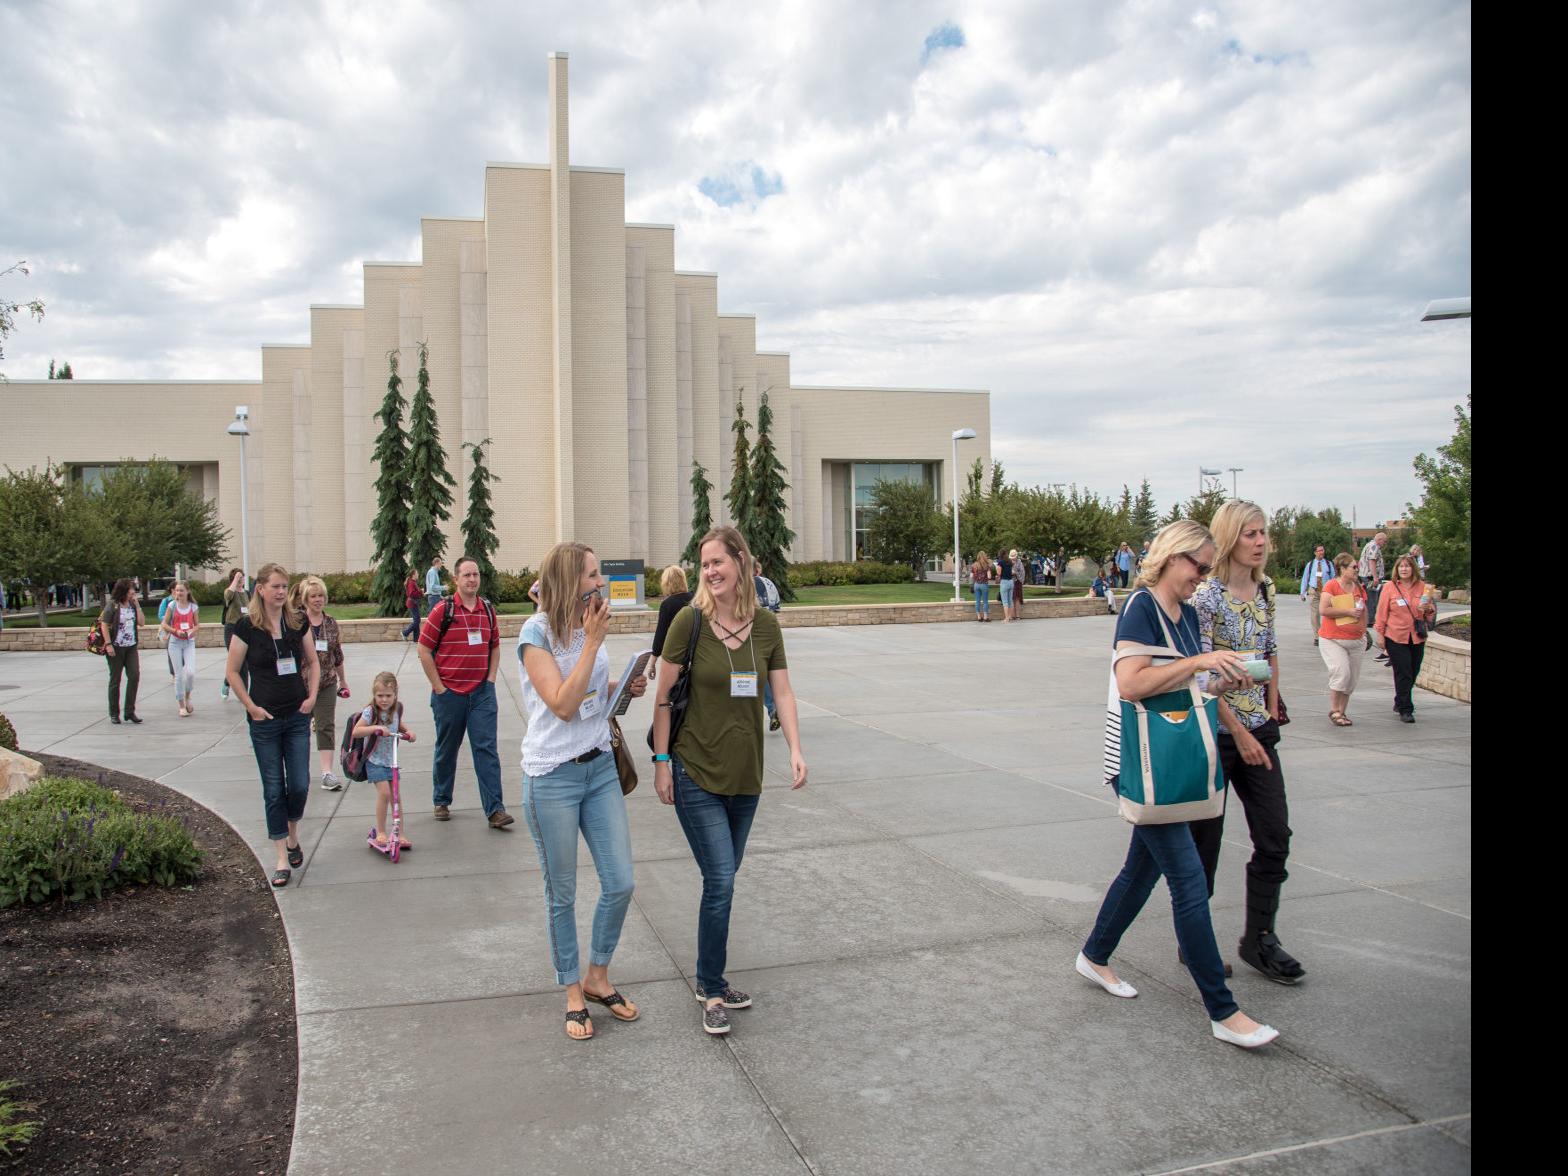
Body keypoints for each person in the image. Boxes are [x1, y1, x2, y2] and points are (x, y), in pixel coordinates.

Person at [1077, 520, 1280, 1049]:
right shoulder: (1140, 607)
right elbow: (1132, 683)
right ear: (1171, 557)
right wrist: (1199, 661)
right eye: (1199, 566)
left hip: (1172, 762)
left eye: (1208, 569)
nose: (1202, 577)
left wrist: (1223, 677)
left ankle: (1094, 955)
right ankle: (1223, 1011)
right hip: (1138, 762)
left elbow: (1189, 684)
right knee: (1188, 880)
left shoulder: (1188, 615)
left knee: (1141, 871)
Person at [651, 527, 809, 1037]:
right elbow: (663, 696)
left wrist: (795, 748)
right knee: (720, 879)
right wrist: (659, 760)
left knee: (725, 878)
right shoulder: (687, 622)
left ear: (741, 561)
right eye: (704, 564)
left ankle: (710, 976)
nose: (711, 571)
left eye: (718, 561)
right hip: (694, 769)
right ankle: (712, 989)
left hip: (746, 776)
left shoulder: (765, 627)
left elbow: (780, 692)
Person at [518, 542, 648, 1040]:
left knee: (620, 882)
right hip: (552, 778)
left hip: (599, 770)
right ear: (570, 581)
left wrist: (621, 685)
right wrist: (592, 643)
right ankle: (573, 989)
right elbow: (563, 704)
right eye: (592, 574)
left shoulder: (588, 623)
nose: (600, 582)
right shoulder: (536, 634)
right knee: (563, 893)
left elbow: (590, 693)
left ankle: (598, 975)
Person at [1190, 501, 1306, 985]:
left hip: (1260, 730)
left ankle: (1260, 937)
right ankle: (1195, 941)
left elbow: (1270, 652)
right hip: (1216, 735)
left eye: (1264, 533)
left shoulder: (1267, 589)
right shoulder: (1206, 598)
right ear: (1230, 537)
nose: (1261, 542)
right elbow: (1198, 676)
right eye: (1250, 534)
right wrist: (1238, 731)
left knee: (1275, 836)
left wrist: (1271, 713)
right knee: (1205, 850)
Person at [225, 562, 320, 888]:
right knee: (273, 788)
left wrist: (311, 698)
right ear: (261, 590)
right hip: (264, 720)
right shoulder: (246, 627)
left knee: (299, 784)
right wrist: (250, 706)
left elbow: (313, 662)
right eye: (275, 586)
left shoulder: (297, 622)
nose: (281, 592)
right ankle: (281, 855)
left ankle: (293, 835)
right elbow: (233, 672)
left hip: (296, 716)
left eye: (284, 586)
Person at [417, 555, 511, 827]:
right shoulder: (442, 611)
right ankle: (442, 799)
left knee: (487, 750)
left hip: (482, 694)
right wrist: (439, 688)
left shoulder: (487, 610)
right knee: (447, 749)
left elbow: (495, 646)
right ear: (455, 579)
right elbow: (423, 650)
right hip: (449, 695)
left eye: (476, 574)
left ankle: (495, 810)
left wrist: (491, 679)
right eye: (467, 575)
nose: (472, 579)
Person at [292, 575, 349, 790]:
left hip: (326, 682)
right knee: (299, 728)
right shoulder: (295, 622)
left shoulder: (330, 623)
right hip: (299, 685)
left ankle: (327, 773)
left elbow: (337, 654)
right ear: (305, 599)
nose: (318, 600)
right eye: (314, 596)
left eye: (321, 596)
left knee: (326, 726)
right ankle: (298, 773)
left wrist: (343, 681)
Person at [354, 671, 416, 851]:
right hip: (374, 759)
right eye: (380, 695)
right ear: (374, 695)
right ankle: (381, 831)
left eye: (388, 695)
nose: (384, 700)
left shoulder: (397, 708)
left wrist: (409, 732)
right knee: (385, 793)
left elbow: (399, 724)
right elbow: (356, 731)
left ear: (395, 694)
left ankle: (400, 833)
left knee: (396, 797)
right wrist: (375, 728)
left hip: (391, 760)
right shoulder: (370, 711)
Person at [1375, 554, 1438, 723]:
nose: (1404, 569)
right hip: (1395, 636)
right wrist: (1380, 635)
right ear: (1397, 569)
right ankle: (1406, 709)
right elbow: (1381, 613)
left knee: (1413, 671)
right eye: (1401, 566)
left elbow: (1430, 616)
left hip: (1417, 636)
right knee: (1404, 672)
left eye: (1407, 566)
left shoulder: (1423, 587)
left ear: (1413, 569)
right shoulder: (1390, 588)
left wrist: (1428, 609)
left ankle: (1399, 700)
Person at [1317, 553, 1367, 727]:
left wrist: (1364, 629)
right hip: (1332, 639)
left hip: (1356, 640)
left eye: (1357, 567)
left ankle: (1342, 712)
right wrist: (1347, 612)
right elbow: (1323, 609)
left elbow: (1364, 610)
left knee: (1351, 679)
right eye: (1353, 567)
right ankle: (1334, 710)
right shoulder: (1331, 586)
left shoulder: (1359, 587)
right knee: (1341, 672)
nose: (1356, 570)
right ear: (1342, 569)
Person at [98, 578, 143, 724]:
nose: (133, 592)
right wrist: (108, 644)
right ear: (124, 590)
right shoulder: (113, 605)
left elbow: (141, 623)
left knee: (134, 676)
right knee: (115, 680)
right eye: (131, 589)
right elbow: (104, 625)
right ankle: (114, 713)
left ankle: (129, 711)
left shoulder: (131, 604)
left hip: (131, 646)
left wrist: (137, 605)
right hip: (116, 647)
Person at [159, 581, 201, 717]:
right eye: (177, 591)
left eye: (181, 590)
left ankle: (188, 696)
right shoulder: (172, 606)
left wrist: (192, 631)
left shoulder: (193, 607)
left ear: (187, 591)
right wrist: (175, 631)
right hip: (175, 643)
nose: (179, 593)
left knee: (190, 673)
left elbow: (197, 625)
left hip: (189, 642)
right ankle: (181, 705)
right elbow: (164, 623)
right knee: (178, 675)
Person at [752, 557, 784, 732]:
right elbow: (776, 608)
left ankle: (772, 708)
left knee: (755, 674)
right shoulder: (768, 584)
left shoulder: (746, 585)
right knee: (771, 673)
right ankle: (776, 708)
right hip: (771, 634)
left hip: (753, 635)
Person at [649, 565, 695, 681]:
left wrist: (652, 664)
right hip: (696, 656)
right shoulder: (695, 599)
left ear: (667, 583)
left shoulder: (668, 604)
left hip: (674, 658)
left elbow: (661, 635)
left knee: (674, 694)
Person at [1359, 532, 1388, 663]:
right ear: (1380, 539)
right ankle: (1371, 620)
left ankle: (1371, 619)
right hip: (1370, 577)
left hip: (1368, 576)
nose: (1384, 544)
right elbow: (1372, 561)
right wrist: (1376, 578)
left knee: (1372, 599)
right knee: (1372, 599)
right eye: (1384, 542)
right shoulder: (1374, 547)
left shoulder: (1369, 545)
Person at [1299, 544, 1334, 645]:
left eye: (1322, 550)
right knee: (1315, 615)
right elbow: (1305, 578)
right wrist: (1303, 592)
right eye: (1319, 551)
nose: (1321, 552)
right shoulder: (1310, 565)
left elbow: (1333, 578)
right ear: (1315, 552)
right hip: (1314, 590)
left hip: (1326, 591)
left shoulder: (1328, 564)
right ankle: (1317, 637)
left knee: (1327, 613)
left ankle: (1327, 633)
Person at [221, 568, 248, 700]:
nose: (241, 579)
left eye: (242, 577)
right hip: (232, 628)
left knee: (245, 661)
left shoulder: (247, 593)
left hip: (246, 628)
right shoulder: (230, 592)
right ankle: (228, 683)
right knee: (236, 660)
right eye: (239, 577)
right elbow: (228, 596)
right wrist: (235, 580)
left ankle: (244, 692)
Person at [970, 551, 993, 622]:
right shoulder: (987, 565)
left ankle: (979, 617)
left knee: (977, 601)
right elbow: (989, 577)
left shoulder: (974, 565)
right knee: (985, 601)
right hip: (984, 584)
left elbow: (971, 576)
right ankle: (985, 617)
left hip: (976, 584)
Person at [402, 570, 422, 642]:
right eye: (417, 573)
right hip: (412, 603)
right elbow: (411, 593)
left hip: (413, 603)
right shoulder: (411, 582)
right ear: (413, 575)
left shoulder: (413, 582)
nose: (418, 574)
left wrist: (421, 592)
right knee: (417, 620)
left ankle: (416, 639)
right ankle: (405, 633)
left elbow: (414, 593)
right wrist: (420, 592)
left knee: (416, 620)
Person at [997, 548, 1015, 623]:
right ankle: (1010, 616)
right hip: (1011, 581)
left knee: (1005, 601)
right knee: (1010, 600)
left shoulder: (1000, 562)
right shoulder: (1010, 561)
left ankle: (1006, 618)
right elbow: (1011, 571)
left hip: (1004, 582)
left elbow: (999, 573)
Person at [1007, 548, 1024, 620]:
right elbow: (1006, 572)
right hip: (1010, 582)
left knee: (1017, 598)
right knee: (1011, 598)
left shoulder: (1019, 562)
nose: (1013, 559)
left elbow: (1022, 572)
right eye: (1012, 557)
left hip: (1017, 582)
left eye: (1014, 557)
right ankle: (1012, 615)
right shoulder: (1008, 562)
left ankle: (1017, 615)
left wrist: (1015, 573)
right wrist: (1010, 573)